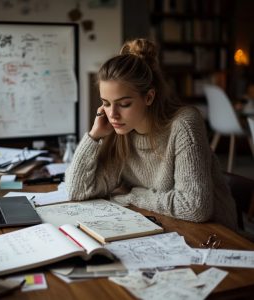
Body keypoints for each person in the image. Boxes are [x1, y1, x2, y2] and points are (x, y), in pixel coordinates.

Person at [65, 38, 237, 230]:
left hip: (215, 234)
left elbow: (195, 207)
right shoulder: (121, 131)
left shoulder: (184, 125)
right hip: (165, 226)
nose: (112, 114)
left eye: (124, 104)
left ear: (149, 97)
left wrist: (134, 195)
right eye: (105, 103)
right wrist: (95, 135)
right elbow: (76, 191)